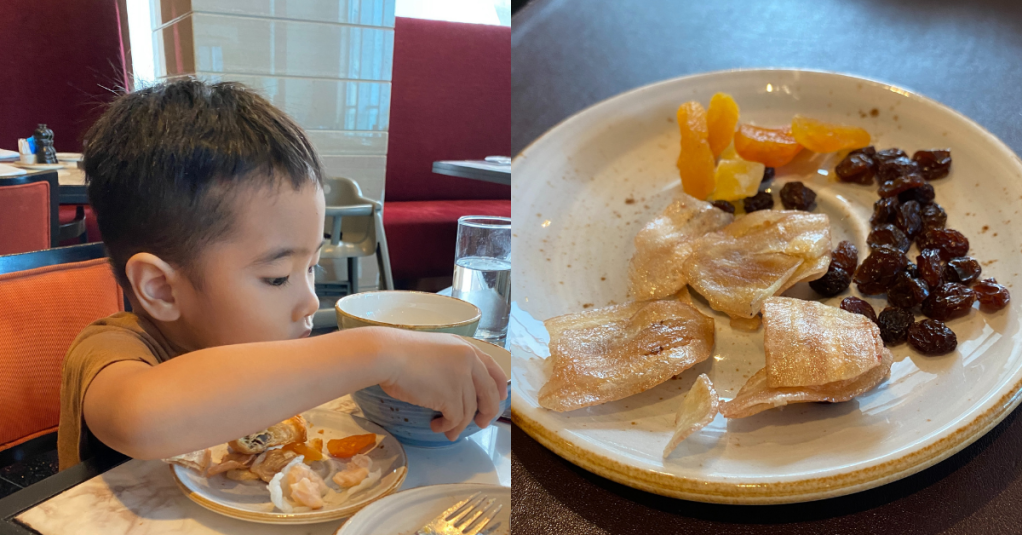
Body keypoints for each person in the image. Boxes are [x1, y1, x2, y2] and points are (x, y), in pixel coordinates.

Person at [57, 79, 507, 470]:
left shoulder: (275, 356)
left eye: (311, 268)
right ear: (161, 288)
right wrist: (382, 351)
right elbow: (142, 417)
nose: (311, 301)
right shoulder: (113, 348)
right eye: (277, 278)